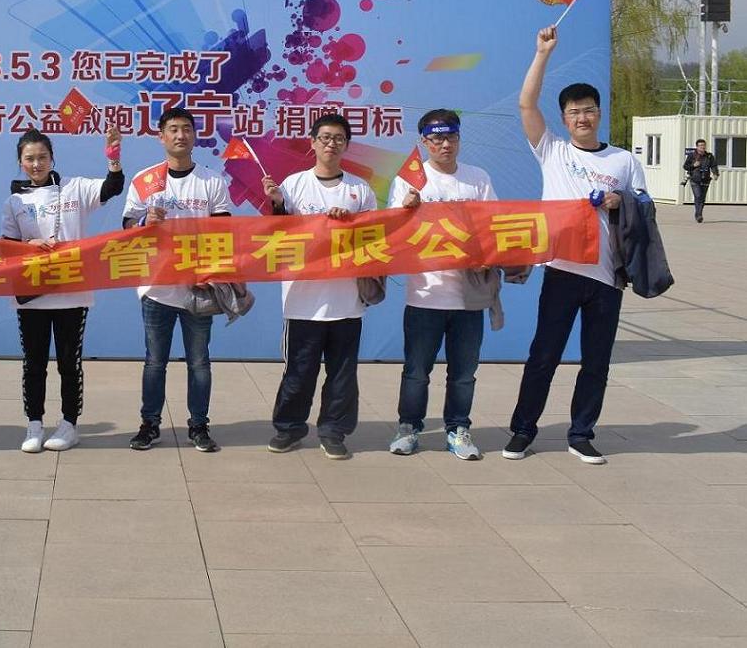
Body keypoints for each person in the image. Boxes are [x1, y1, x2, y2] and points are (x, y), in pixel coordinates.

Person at [504, 25, 648, 465]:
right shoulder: (553, 151)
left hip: (607, 277)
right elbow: (526, 104)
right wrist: (542, 53)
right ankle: (522, 431)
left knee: (596, 362)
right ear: (564, 119)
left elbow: (645, 209)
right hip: (563, 272)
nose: (582, 118)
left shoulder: (623, 160)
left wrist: (619, 200)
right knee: (543, 356)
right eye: (573, 112)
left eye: (588, 110)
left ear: (599, 113)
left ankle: (581, 433)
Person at [2, 127, 124, 453]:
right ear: (20, 162)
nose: (36, 164)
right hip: (32, 295)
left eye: (42, 157)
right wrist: (28, 245)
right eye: (29, 158)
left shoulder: (75, 188)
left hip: (72, 291)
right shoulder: (15, 201)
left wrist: (113, 157)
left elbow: (112, 187)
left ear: (52, 158)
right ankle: (34, 424)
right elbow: (7, 246)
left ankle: (69, 424)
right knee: (34, 363)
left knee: (69, 363)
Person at [263, 113, 377, 461]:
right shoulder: (293, 185)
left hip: (346, 300)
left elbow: (375, 237)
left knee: (342, 373)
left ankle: (333, 431)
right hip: (302, 300)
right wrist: (277, 203)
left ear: (347, 145)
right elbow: (278, 236)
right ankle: (289, 428)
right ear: (312, 143)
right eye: (325, 137)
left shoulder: (360, 189)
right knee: (299, 371)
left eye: (339, 138)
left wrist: (351, 223)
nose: (331, 144)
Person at [386, 109, 497, 461]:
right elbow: (392, 235)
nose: (444, 145)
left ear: (459, 139)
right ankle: (408, 427)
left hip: (468, 296)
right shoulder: (410, 180)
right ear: (424, 142)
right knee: (416, 372)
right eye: (436, 138)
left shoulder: (477, 178)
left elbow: (493, 227)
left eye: (451, 137)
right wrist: (405, 211)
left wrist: (488, 256)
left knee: (463, 373)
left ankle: (458, 429)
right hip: (425, 295)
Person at [122, 107, 232, 453]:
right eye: (173, 129)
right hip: (157, 287)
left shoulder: (211, 181)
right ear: (161, 136)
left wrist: (211, 272)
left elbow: (225, 230)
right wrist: (146, 224)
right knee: (155, 361)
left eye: (186, 128)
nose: (180, 135)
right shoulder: (145, 180)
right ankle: (149, 424)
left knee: (199, 361)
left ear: (195, 135)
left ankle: (198, 425)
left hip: (199, 287)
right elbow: (127, 228)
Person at [682, 139, 719, 223]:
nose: (703, 147)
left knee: (702, 198)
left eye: (704, 145)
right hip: (695, 179)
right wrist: (693, 165)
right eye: (701, 145)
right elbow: (685, 166)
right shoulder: (692, 155)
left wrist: (715, 174)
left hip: (706, 179)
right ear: (697, 147)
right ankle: (699, 215)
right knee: (698, 196)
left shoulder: (709, 156)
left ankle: (699, 213)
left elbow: (714, 166)